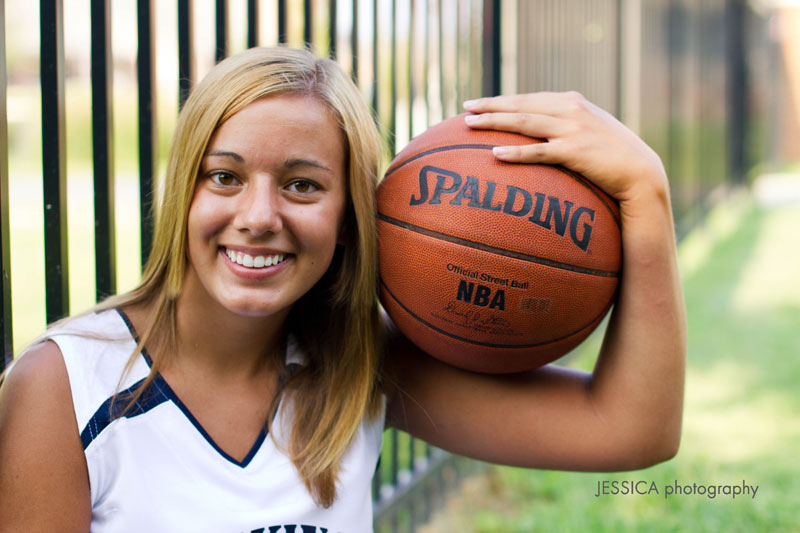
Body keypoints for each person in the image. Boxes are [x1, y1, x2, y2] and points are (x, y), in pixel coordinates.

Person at [0, 46, 685, 532]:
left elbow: (632, 429)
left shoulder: (360, 366)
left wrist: (645, 191)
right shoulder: (68, 384)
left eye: (302, 184)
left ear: (351, 217)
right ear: (184, 191)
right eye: (225, 176)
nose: (260, 216)